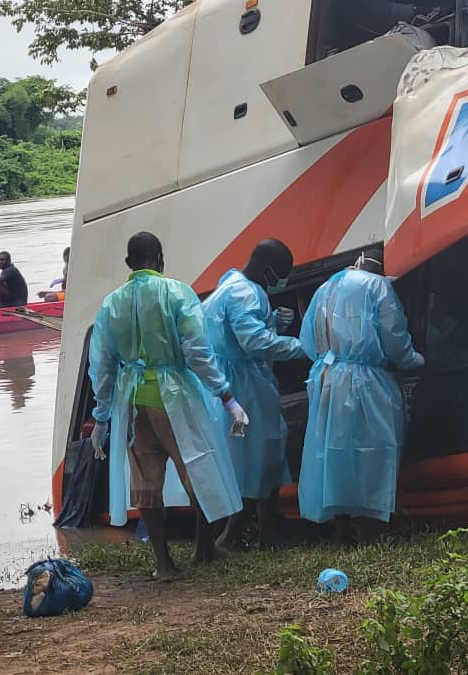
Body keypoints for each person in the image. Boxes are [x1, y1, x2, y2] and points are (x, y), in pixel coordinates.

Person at [87, 232, 248, 578]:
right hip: (174, 394)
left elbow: (101, 365)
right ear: (160, 258)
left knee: (146, 483)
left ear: (128, 264)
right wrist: (226, 395)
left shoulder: (110, 304)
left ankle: (163, 563)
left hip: (132, 402)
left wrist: (101, 418)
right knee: (199, 470)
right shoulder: (177, 293)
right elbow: (197, 352)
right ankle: (203, 548)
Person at [298, 247, 424, 542]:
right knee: (372, 450)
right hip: (365, 379)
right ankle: (371, 526)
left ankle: (340, 526)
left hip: (326, 377)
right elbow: (393, 335)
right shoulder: (377, 286)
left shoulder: (324, 287)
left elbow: (307, 340)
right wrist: (412, 360)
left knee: (333, 453)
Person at [203, 239, 307, 550]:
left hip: (227, 380)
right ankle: (236, 536)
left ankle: (262, 532)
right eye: (282, 274)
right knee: (263, 455)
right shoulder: (245, 292)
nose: (282, 281)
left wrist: (273, 322)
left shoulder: (230, 283)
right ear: (267, 270)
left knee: (247, 457)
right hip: (245, 383)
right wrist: (301, 347)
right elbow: (253, 342)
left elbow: (236, 333)